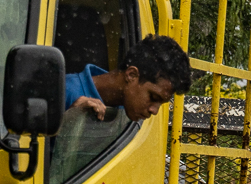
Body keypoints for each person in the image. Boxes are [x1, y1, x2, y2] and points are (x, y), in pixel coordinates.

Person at [64, 34, 192, 122]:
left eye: (160, 104)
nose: (154, 111)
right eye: (153, 97)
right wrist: (69, 120)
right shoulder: (65, 91)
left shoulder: (127, 114)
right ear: (131, 75)